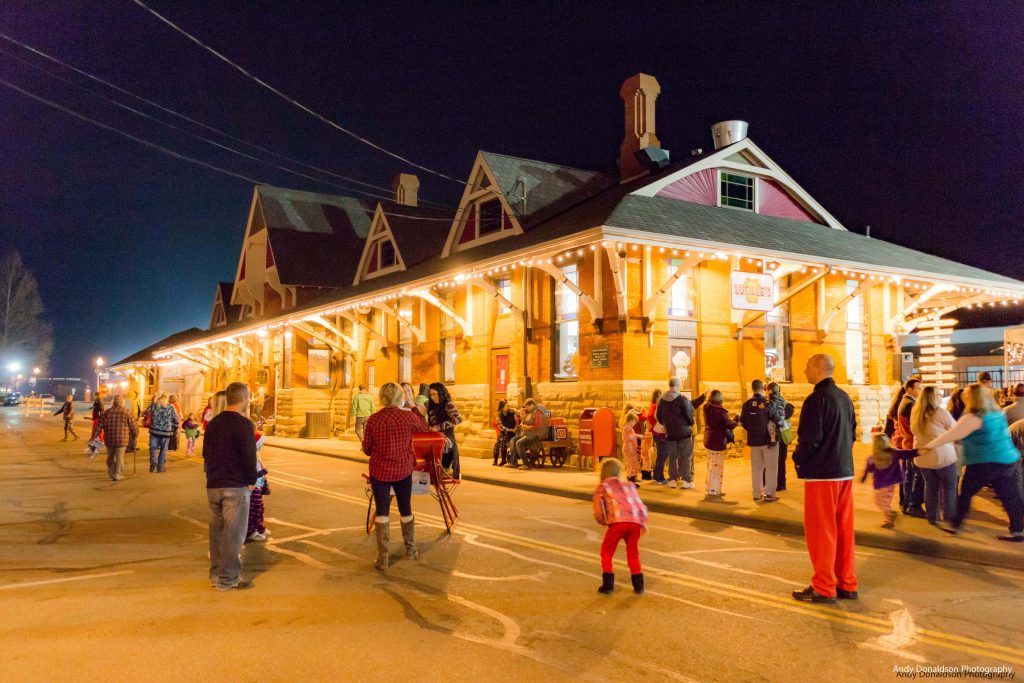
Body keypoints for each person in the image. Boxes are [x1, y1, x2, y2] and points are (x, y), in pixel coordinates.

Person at [791, 354, 858, 604]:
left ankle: (824, 586)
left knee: (822, 532)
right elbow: (852, 433)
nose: (804, 370)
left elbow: (810, 439)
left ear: (819, 369)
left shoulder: (815, 400)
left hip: (822, 474)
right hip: (844, 470)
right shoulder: (844, 398)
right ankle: (847, 582)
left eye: (807, 366)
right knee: (843, 529)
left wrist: (798, 459)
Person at [924, 383, 1024, 542]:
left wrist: (928, 446)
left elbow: (952, 435)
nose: (963, 396)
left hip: (983, 462)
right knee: (1009, 497)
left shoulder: (973, 417)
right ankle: (1018, 530)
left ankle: (954, 524)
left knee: (966, 494)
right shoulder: (996, 413)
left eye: (966, 394)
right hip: (1006, 460)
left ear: (974, 397)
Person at [362, 382, 432, 569]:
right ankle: (410, 549)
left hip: (380, 472)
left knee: (382, 512)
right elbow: (424, 428)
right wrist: (412, 406)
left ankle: (383, 558)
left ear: (382, 397)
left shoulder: (374, 420)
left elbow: (367, 450)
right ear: (400, 397)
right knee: (405, 508)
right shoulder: (407, 417)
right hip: (402, 470)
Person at [203, 381, 258, 590]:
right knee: (233, 535)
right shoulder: (244, 424)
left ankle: (216, 575)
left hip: (214, 485)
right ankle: (228, 579)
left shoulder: (214, 423)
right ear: (243, 399)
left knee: (216, 533)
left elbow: (205, 454)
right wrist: (252, 480)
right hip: (235, 486)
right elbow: (248, 456)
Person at [592, 458, 648, 595]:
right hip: (635, 522)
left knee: (606, 551)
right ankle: (638, 585)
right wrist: (643, 522)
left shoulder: (603, 486)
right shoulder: (629, 485)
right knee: (633, 553)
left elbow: (598, 509)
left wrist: (603, 521)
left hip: (617, 522)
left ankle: (608, 584)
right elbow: (640, 505)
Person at [909, 386, 958, 525]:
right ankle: (949, 518)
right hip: (942, 456)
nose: (941, 397)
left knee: (930, 486)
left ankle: (932, 517)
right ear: (933, 397)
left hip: (922, 456)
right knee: (949, 487)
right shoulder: (940, 412)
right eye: (938, 394)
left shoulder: (916, 412)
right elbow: (954, 429)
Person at [740, 379, 782, 502]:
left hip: (754, 441)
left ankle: (757, 493)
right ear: (763, 388)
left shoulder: (746, 404)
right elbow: (777, 418)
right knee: (771, 468)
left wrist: (752, 431)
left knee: (756, 468)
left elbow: (743, 422)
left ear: (752, 388)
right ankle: (769, 494)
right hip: (769, 440)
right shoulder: (767, 403)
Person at [863, 435, 917, 528]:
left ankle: (890, 514)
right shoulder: (893, 453)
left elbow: (869, 469)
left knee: (879, 502)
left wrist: (863, 477)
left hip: (881, 485)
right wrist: (918, 451)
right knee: (886, 501)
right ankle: (888, 521)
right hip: (891, 484)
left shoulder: (873, 457)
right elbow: (907, 453)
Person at [656, 378, 696, 490]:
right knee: (686, 456)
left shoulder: (662, 400)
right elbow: (689, 414)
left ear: (669, 385)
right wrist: (690, 423)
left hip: (670, 432)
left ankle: (673, 479)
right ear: (678, 385)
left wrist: (666, 425)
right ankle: (686, 480)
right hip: (684, 432)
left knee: (673, 456)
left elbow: (658, 416)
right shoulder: (682, 398)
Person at [895, 379, 926, 517]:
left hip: (906, 444)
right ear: (909, 389)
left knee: (909, 475)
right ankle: (913, 505)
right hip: (911, 444)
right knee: (917, 476)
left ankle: (906, 503)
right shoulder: (911, 404)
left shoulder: (904, 402)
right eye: (918, 388)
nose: (920, 391)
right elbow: (916, 426)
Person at [703, 390, 738, 497]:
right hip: (718, 441)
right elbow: (730, 425)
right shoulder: (720, 411)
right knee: (717, 467)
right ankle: (714, 490)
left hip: (709, 439)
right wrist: (737, 419)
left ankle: (709, 487)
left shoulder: (706, 408)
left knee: (710, 465)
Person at [427, 383, 463, 479]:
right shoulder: (431, 407)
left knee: (442, 444)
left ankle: (444, 468)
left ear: (441, 393)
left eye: (435, 394)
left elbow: (458, 418)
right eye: (431, 395)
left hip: (447, 436)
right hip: (433, 435)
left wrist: (439, 427)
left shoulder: (448, 405)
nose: (432, 397)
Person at [98, 395, 137, 481]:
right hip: (122, 439)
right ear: (122, 402)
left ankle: (112, 473)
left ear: (113, 402)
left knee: (110, 457)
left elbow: (99, 426)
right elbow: (133, 426)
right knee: (120, 458)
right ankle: (118, 474)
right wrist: (135, 434)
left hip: (109, 439)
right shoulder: (127, 412)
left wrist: (95, 436)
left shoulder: (106, 413)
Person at [767, 382, 795, 491]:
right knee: (781, 462)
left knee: (771, 462)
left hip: (774, 436)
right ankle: (781, 484)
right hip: (784, 437)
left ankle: (773, 484)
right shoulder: (787, 404)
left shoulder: (770, 404)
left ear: (769, 391)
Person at [509, 398, 548, 469]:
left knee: (519, 443)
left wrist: (527, 428)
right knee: (514, 440)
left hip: (536, 435)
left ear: (531, 405)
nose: (526, 408)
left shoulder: (537, 412)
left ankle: (526, 464)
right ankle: (513, 462)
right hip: (529, 433)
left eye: (527, 406)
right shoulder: (531, 412)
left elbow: (538, 426)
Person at [147, 393, 179, 473]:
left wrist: (153, 401)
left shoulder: (154, 405)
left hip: (154, 431)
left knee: (153, 448)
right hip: (166, 433)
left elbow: (145, 413)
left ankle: (153, 461)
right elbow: (176, 420)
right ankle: (160, 468)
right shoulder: (171, 407)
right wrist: (173, 428)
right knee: (163, 450)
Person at [493, 399, 517, 466]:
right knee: (497, 444)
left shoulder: (512, 412)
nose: (507, 407)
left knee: (503, 443)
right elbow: (501, 427)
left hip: (512, 433)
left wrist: (514, 428)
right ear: (502, 407)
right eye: (505, 406)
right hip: (504, 432)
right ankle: (495, 460)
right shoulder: (499, 415)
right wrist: (509, 429)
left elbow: (517, 420)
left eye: (507, 405)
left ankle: (504, 460)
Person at [621, 412, 642, 485]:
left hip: (628, 448)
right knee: (633, 463)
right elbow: (628, 438)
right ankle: (631, 480)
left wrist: (638, 436)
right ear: (630, 420)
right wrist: (635, 436)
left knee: (630, 464)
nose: (635, 423)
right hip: (630, 448)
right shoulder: (628, 428)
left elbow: (632, 435)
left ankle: (630, 479)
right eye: (634, 421)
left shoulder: (626, 428)